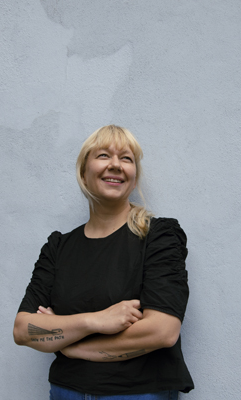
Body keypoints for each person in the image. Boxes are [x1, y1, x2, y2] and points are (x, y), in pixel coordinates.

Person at [13, 125, 194, 399]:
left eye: (126, 158)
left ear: (134, 177)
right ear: (83, 173)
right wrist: (96, 321)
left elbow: (162, 331)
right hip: (66, 392)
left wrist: (71, 346)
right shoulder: (58, 247)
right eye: (103, 155)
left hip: (137, 394)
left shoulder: (159, 236)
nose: (116, 165)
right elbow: (24, 330)